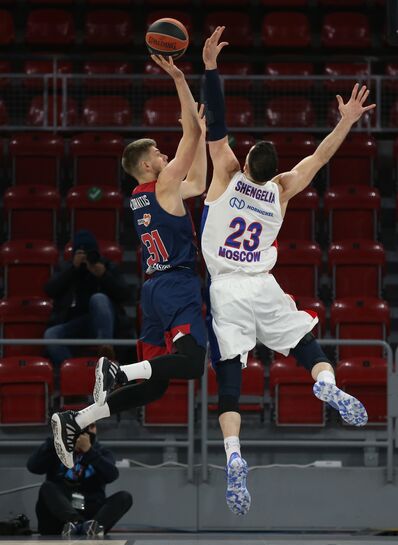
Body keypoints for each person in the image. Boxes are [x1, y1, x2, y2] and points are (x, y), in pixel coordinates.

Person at [200, 27, 376, 516]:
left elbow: (216, 121)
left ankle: (234, 455)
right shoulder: (281, 191)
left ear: (244, 162)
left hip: (227, 290)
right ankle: (325, 382)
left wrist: (211, 68)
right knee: (304, 345)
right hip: (264, 285)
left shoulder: (226, 174)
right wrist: (346, 121)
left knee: (230, 378)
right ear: (273, 170)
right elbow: (321, 156)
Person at [50, 55, 207, 470]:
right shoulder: (166, 184)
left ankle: (77, 418)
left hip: (152, 291)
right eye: (158, 151)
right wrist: (179, 78)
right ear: (146, 164)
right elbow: (188, 132)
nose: (164, 152)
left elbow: (202, 182)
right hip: (175, 284)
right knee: (192, 363)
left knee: (154, 388)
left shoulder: (141, 196)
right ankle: (118, 371)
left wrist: (203, 134)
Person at [27, 422, 132, 538]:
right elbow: (33, 467)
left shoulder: (102, 453)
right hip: (61, 513)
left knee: (124, 497)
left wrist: (89, 451)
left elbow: (112, 475)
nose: (90, 431)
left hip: (89, 507)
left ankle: (90, 527)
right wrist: (57, 439)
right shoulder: (57, 449)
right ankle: (77, 523)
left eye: (93, 426)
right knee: (47, 487)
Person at [44, 229, 130, 367]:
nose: (85, 257)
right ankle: (74, 368)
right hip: (75, 322)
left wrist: (104, 276)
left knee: (99, 298)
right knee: (51, 335)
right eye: (80, 253)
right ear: (74, 255)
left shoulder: (106, 267)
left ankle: (105, 349)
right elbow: (50, 290)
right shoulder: (68, 268)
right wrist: (73, 269)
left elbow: (126, 295)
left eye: (88, 253)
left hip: (104, 323)